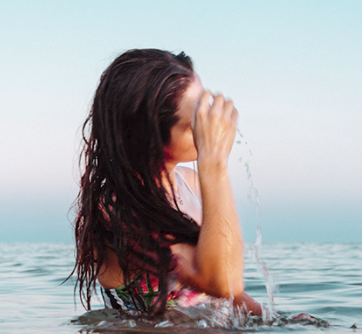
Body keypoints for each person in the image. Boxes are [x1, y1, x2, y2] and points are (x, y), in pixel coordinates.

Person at [72, 49, 261, 315]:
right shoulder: (116, 210)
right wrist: (214, 163)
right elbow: (222, 282)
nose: (208, 124)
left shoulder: (193, 183)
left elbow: (227, 290)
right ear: (150, 138)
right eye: (194, 122)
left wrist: (283, 321)